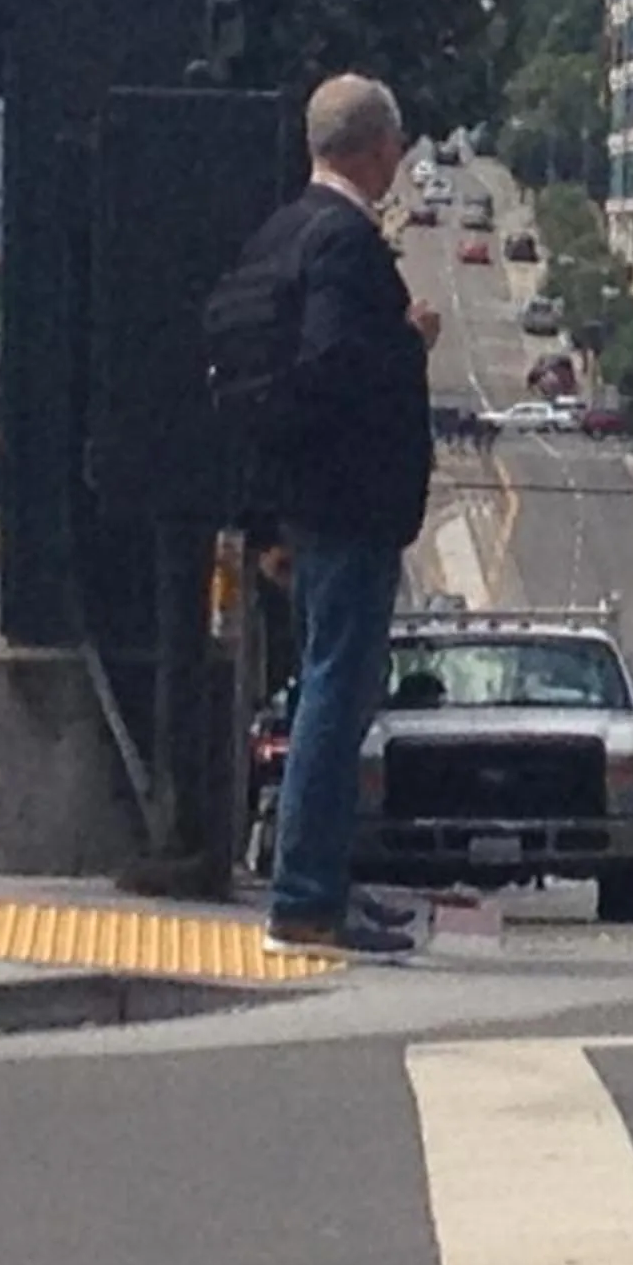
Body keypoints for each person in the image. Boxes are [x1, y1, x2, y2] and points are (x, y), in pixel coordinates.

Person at [239, 75, 439, 957]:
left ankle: (320, 886)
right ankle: (309, 899)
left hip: (301, 505)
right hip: (349, 507)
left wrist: (269, 511)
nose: (400, 157)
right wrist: (411, 340)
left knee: (323, 689)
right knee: (334, 695)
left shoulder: (283, 228)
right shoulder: (347, 243)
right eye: (395, 141)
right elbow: (334, 367)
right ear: (372, 146)